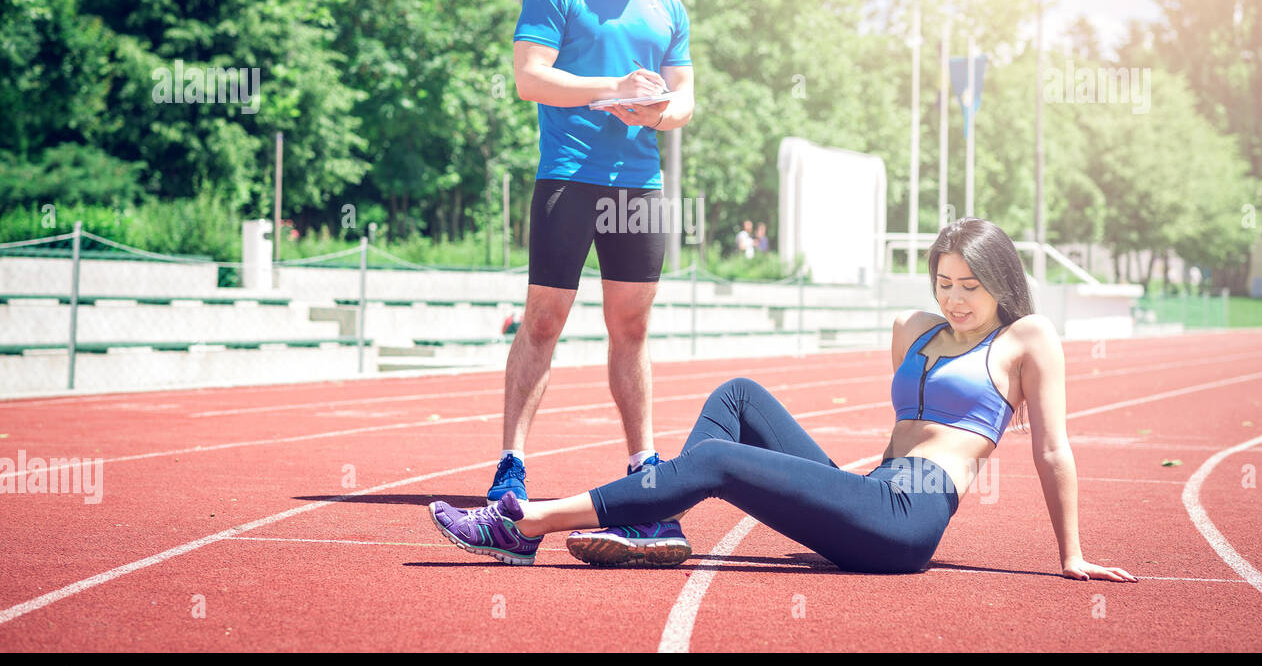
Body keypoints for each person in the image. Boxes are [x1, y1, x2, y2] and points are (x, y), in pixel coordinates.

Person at [431, 217, 1138, 581]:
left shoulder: (1028, 338)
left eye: (970, 286)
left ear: (1000, 281)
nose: (954, 298)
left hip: (908, 518)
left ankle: (525, 525)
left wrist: (1070, 553)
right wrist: (855, 483)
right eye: (944, 282)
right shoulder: (914, 329)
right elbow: (901, 430)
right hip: (871, 490)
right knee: (738, 396)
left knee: (718, 459)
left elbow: (1052, 449)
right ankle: (657, 523)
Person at [489, 0, 695, 552]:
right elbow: (529, 77)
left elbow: (686, 98)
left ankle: (643, 468)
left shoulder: (668, 7)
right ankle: (510, 466)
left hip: (638, 184)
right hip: (568, 179)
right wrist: (612, 89)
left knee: (631, 329)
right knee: (544, 321)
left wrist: (659, 110)